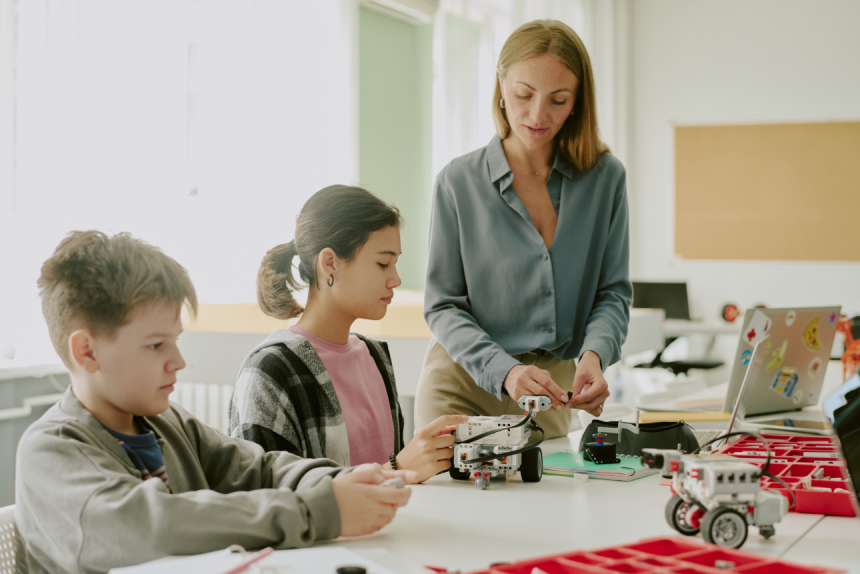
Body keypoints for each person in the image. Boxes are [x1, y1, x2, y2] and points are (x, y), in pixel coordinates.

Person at [15, 230, 416, 574]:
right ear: (87, 352)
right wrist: (319, 511)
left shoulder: (168, 423)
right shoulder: (50, 452)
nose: (178, 361)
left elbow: (258, 468)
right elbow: (154, 527)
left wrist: (335, 482)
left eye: (175, 340)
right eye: (156, 345)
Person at [416, 20, 632, 439]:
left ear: (577, 102)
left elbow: (613, 292)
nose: (537, 115)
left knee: (542, 503)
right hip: (461, 382)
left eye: (558, 99)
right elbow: (442, 305)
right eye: (523, 94)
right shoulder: (457, 181)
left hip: (551, 392)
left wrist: (594, 355)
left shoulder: (606, 179)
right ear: (501, 87)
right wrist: (505, 371)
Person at [230, 185, 466, 483]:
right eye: (383, 263)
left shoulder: (376, 357)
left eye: (395, 263)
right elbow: (267, 498)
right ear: (330, 264)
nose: (396, 279)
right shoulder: (269, 371)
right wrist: (397, 469)